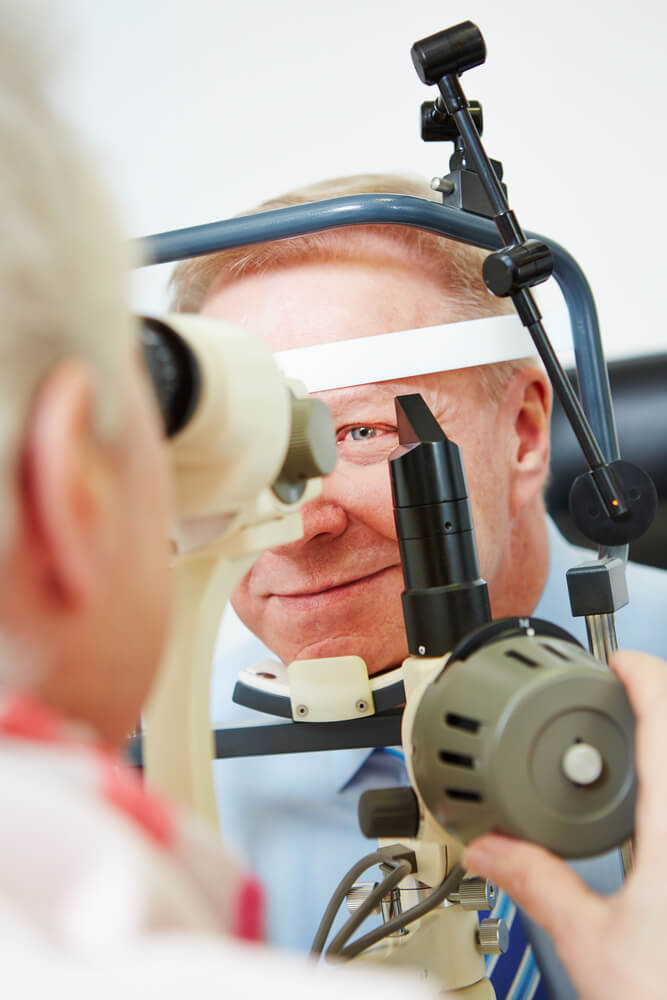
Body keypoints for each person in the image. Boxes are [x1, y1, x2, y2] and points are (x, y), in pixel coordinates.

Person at [169, 173, 667, 998]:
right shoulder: (164, 775)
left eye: (361, 432)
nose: (298, 521)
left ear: (523, 431)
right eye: (244, 451)